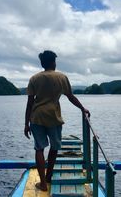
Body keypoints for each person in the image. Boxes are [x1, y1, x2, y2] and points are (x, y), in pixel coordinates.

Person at [24, 50, 90, 191]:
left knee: (39, 148)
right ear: (54, 62)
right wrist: (82, 108)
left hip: (37, 117)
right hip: (54, 116)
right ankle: (48, 177)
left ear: (42, 63)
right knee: (54, 147)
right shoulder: (62, 77)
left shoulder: (34, 79)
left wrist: (26, 124)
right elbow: (71, 97)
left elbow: (30, 103)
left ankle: (42, 183)